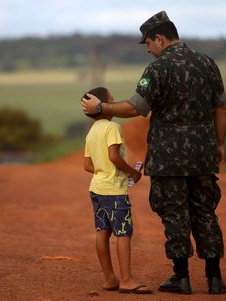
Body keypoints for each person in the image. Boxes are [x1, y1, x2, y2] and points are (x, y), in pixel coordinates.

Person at [81, 11, 226, 295]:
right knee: (205, 212)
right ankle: (215, 278)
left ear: (160, 38)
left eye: (148, 43)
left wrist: (101, 108)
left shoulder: (159, 69)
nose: (148, 49)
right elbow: (220, 107)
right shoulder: (208, 63)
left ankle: (181, 277)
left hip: (168, 156)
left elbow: (136, 107)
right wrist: (219, 143)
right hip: (204, 153)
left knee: (175, 213)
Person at [83, 86, 153, 294]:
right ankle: (127, 279)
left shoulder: (92, 131)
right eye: (112, 101)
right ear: (103, 106)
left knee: (102, 232)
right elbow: (114, 156)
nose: (114, 104)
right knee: (123, 233)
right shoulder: (112, 128)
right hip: (114, 191)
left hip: (97, 189)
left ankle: (109, 278)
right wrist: (132, 172)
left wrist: (103, 170)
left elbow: (87, 165)